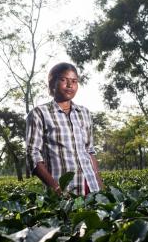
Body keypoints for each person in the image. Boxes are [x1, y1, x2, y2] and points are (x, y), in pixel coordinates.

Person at [26, 62, 104, 196]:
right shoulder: (39, 113)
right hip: (63, 191)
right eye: (64, 80)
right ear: (52, 83)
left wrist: (100, 185)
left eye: (74, 81)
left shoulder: (84, 113)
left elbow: (90, 151)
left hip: (91, 187)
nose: (70, 85)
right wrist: (56, 189)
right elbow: (32, 154)